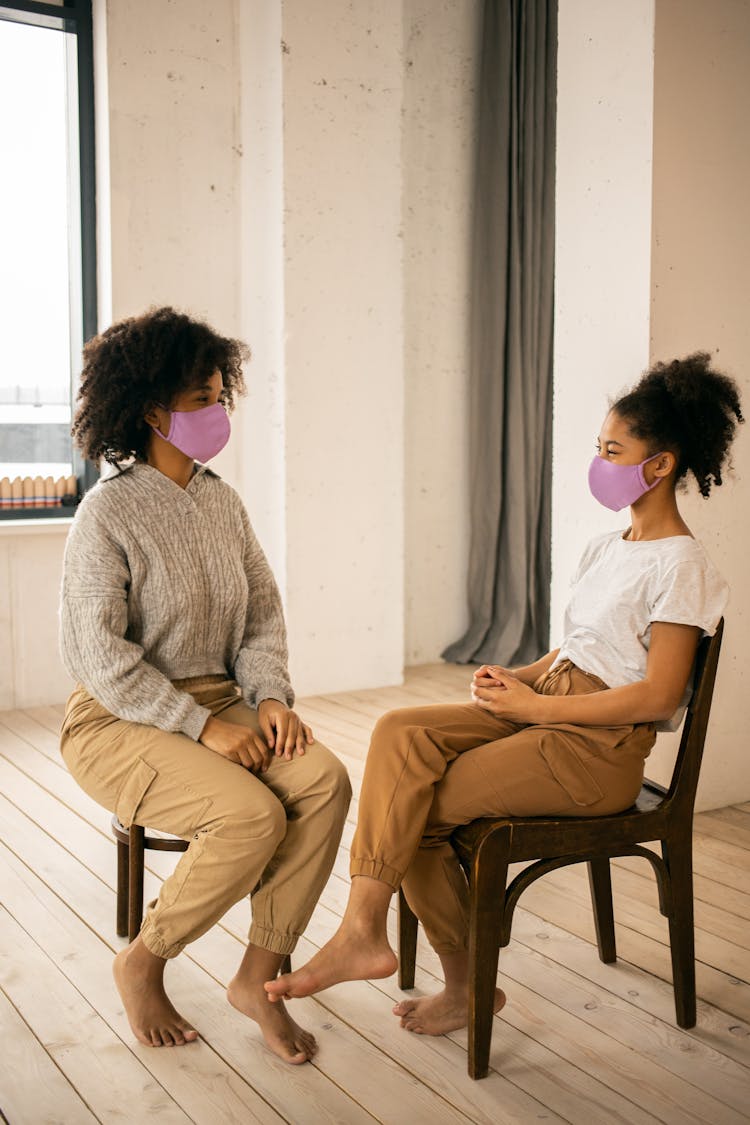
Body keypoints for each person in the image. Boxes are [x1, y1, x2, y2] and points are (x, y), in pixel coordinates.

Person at [264, 352, 742, 1038]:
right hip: (549, 708)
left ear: (659, 464)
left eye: (615, 450)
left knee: (419, 804)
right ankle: (364, 928)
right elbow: (578, 647)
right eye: (599, 448)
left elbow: (656, 694)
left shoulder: (683, 564)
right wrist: (517, 676)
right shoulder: (610, 547)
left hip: (596, 754)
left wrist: (539, 709)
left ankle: (462, 986)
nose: (600, 462)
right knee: (399, 732)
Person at [59, 307, 351, 1062]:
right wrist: (201, 726)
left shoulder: (222, 499)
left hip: (225, 702)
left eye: (222, 395)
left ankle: (256, 978)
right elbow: (99, 655)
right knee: (252, 815)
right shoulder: (107, 512)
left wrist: (272, 698)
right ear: (153, 411)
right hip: (118, 720)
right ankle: (143, 960)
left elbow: (261, 615)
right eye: (201, 399)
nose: (219, 413)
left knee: (323, 780)